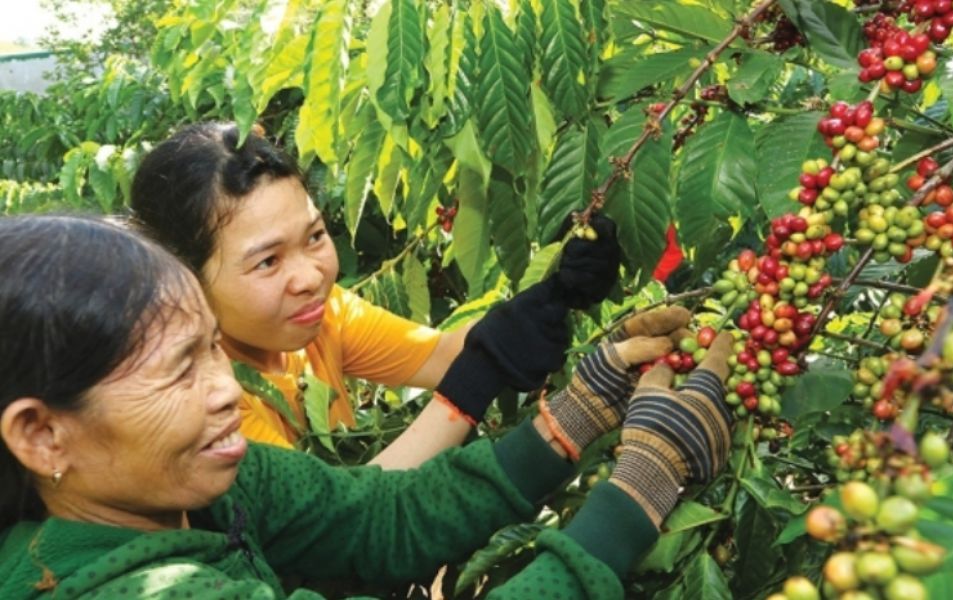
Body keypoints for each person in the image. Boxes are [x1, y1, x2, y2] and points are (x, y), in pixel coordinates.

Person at [0, 215, 734, 599]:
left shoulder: (201, 488)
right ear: (41, 435)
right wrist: (643, 486)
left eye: (212, 350)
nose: (226, 388)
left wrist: (579, 410)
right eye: (176, 372)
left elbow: (381, 516)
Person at [128, 122, 621, 467]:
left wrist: (554, 290)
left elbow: (441, 355)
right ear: (182, 278)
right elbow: (341, 524)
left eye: (315, 237)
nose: (310, 276)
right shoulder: (206, 405)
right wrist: (475, 381)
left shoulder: (321, 317)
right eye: (268, 261)